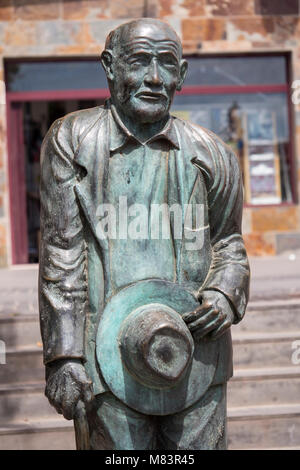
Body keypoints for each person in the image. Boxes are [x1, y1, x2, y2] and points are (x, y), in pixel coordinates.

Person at [39, 18, 250, 450]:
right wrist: (65, 356)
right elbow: (63, 252)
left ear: (182, 74)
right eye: (139, 62)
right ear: (110, 67)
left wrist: (225, 294)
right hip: (105, 358)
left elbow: (229, 244)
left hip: (195, 357)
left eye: (167, 64)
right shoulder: (73, 141)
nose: (154, 78)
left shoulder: (212, 153)